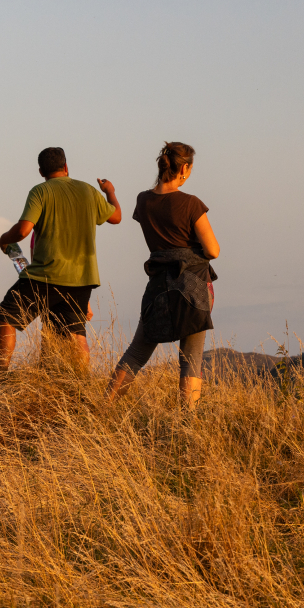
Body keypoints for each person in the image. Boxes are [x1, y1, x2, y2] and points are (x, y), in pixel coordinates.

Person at [106, 142, 219, 409]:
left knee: (137, 351)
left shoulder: (143, 200)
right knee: (191, 358)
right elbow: (213, 250)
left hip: (158, 286)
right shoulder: (191, 203)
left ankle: (105, 408)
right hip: (193, 285)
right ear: (186, 168)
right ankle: (186, 424)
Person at [0, 147, 121, 370]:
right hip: (83, 277)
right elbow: (116, 217)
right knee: (76, 333)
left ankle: (1, 373)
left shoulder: (41, 191)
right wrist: (109, 192)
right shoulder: (89, 191)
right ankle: (82, 383)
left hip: (47, 274)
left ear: (41, 171)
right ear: (66, 167)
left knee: (6, 316)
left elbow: (24, 231)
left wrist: (4, 238)